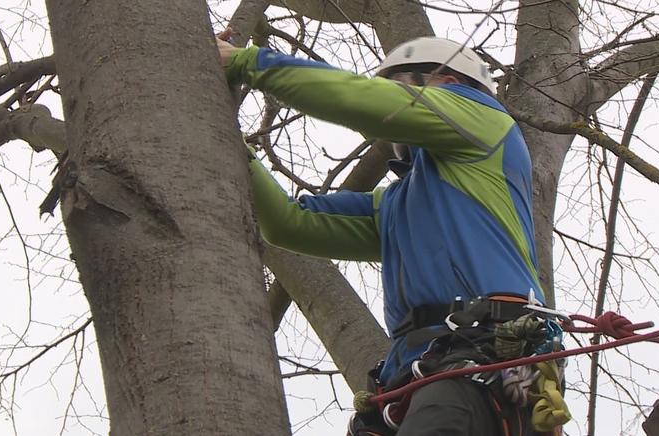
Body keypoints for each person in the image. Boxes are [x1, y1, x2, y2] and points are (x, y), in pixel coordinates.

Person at [217, 30, 564, 436]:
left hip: (483, 357)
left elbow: (362, 101)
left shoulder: (485, 122)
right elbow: (288, 222)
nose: (393, 98)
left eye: (400, 86)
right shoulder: (399, 204)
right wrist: (224, 133)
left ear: (449, 83)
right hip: (418, 374)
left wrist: (247, 62)